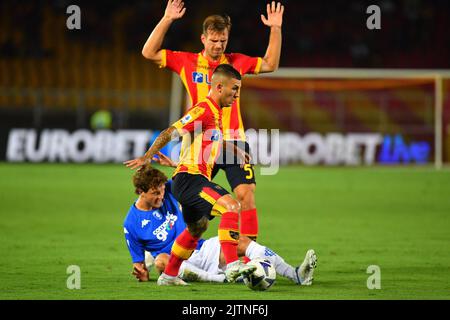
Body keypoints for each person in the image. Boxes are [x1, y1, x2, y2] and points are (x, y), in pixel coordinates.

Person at [141, 0, 284, 260]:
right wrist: (167, 18)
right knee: (195, 216)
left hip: (232, 140)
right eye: (214, 40)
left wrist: (275, 28)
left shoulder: (236, 63)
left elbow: (271, 63)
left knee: (245, 195)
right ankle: (167, 254)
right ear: (203, 39)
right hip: (198, 144)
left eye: (223, 41)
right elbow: (148, 52)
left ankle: (248, 258)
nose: (218, 46)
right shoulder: (186, 61)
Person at [124, 64, 257, 286]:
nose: (237, 94)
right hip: (190, 179)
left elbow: (214, 141)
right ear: (219, 87)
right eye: (234, 88)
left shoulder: (216, 114)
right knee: (231, 207)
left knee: (197, 228)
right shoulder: (203, 109)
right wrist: (148, 155)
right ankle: (234, 266)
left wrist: (236, 151)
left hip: (191, 178)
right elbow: (171, 131)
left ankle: (169, 275)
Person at [124, 162, 317, 285]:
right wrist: (141, 273)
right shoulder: (131, 223)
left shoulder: (170, 189)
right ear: (140, 191)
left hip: (202, 248)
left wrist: (172, 164)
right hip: (176, 261)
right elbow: (139, 264)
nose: (161, 196)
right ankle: (219, 279)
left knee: (241, 242)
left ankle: (297, 274)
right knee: (160, 262)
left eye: (162, 191)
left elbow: (190, 177)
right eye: (155, 193)